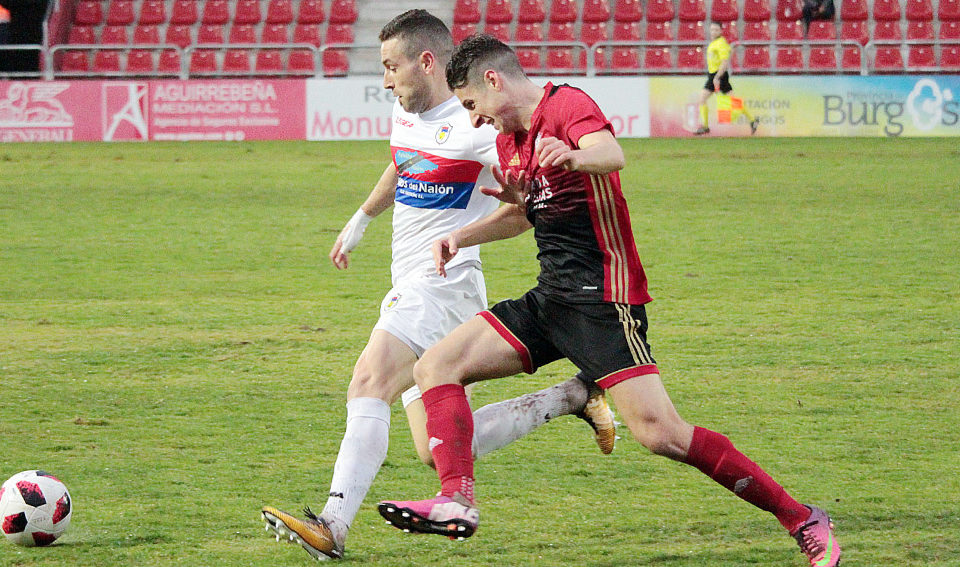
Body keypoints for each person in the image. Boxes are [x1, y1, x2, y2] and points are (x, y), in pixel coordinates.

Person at [377, 35, 842, 567]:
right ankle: (456, 500)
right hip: (550, 298)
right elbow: (531, 212)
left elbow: (610, 154)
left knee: (660, 433)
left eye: (472, 106)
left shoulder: (566, 106)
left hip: (604, 302)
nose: (476, 121)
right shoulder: (510, 142)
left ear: (493, 80)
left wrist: (574, 155)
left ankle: (802, 517)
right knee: (435, 366)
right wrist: (463, 236)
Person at [259, 12, 615, 561]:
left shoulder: (476, 129)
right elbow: (401, 164)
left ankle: (333, 523)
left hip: (443, 286)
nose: (384, 81)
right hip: (414, 283)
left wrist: (462, 236)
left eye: (390, 67)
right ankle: (573, 395)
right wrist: (361, 220)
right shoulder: (408, 112)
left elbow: (524, 211)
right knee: (438, 446)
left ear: (427, 63)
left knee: (368, 380)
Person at [695, 22, 759, 136]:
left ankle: (705, 126)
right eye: (712, 29)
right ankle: (753, 120)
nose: (713, 32)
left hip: (718, 75)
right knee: (726, 99)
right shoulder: (716, 43)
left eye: (716, 30)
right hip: (714, 74)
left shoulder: (720, 44)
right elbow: (729, 52)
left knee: (706, 99)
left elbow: (724, 62)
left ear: (720, 31)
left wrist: (717, 77)